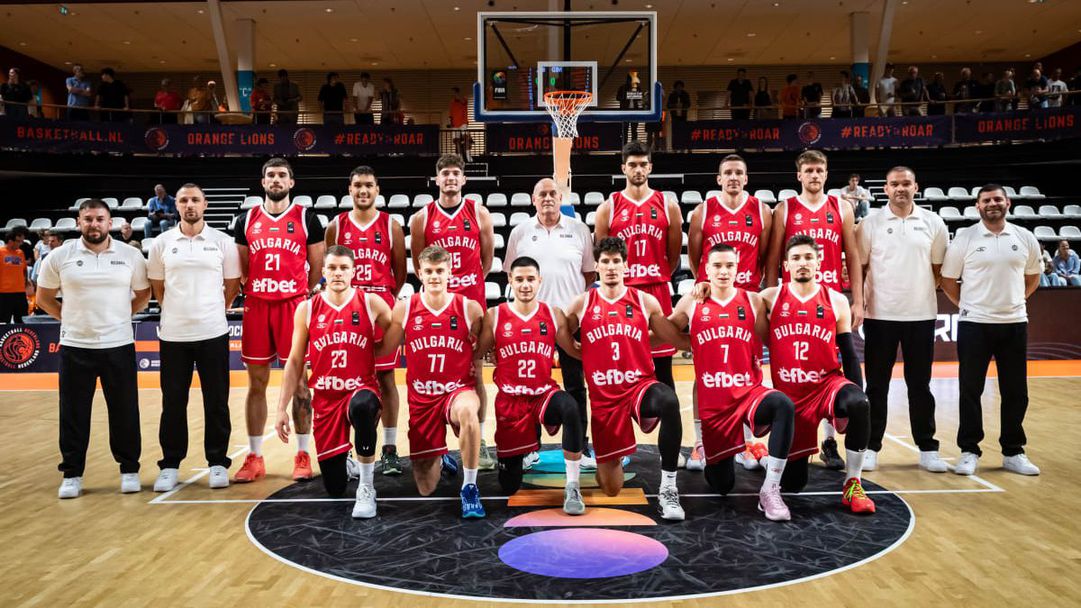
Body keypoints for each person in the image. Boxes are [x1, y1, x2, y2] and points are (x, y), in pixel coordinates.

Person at [667, 244, 797, 521]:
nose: (724, 271)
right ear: (706, 269)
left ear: (738, 268)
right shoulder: (691, 301)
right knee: (722, 485)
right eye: (717, 266)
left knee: (783, 405)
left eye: (729, 265)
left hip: (748, 393)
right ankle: (710, 452)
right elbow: (668, 332)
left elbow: (773, 339)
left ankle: (770, 489)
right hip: (716, 407)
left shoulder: (753, 300)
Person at [562, 237, 687, 520]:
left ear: (626, 265)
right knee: (611, 488)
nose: (611, 267)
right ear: (596, 266)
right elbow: (562, 335)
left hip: (638, 387)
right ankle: (611, 458)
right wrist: (580, 353)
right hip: (605, 400)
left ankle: (668, 488)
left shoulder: (644, 301)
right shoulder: (582, 303)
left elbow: (669, 336)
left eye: (616, 261)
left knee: (668, 401)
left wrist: (695, 341)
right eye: (605, 262)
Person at [36, 199, 151, 499]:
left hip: (118, 345)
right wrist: (69, 318)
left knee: (125, 411)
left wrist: (121, 316)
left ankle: (129, 469)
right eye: (88, 219)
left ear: (109, 222)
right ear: (78, 223)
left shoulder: (130, 255)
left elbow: (144, 293)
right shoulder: (60, 256)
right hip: (76, 347)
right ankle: (72, 474)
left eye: (100, 219)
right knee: (73, 414)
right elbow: (43, 298)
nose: (94, 224)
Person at [275, 246, 394, 518]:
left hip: (360, 389)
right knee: (335, 487)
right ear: (323, 271)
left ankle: (366, 487)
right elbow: (294, 361)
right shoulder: (307, 309)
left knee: (363, 407)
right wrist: (281, 408)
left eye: (343, 268)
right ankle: (346, 463)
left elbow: (397, 332)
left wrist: (376, 350)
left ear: (353, 272)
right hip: (326, 399)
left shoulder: (370, 302)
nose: (338, 273)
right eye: (332, 268)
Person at [764, 150, 864, 470]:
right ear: (799, 175)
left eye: (819, 170)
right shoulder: (785, 209)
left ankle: (830, 441)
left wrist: (858, 299)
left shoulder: (842, 207)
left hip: (830, 299)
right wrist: (772, 297)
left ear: (826, 173)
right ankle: (791, 433)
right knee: (799, 368)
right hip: (794, 299)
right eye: (808, 170)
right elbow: (773, 258)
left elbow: (852, 256)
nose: (814, 175)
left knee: (830, 367)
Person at [761, 235, 875, 513]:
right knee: (794, 484)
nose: (802, 263)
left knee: (859, 403)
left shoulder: (835, 300)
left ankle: (853, 483)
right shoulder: (770, 297)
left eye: (808, 257)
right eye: (796, 258)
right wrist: (704, 285)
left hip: (826, 386)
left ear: (819, 263)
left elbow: (849, 353)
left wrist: (857, 397)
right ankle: (767, 460)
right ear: (786, 265)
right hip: (790, 398)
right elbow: (732, 297)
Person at [232, 158, 325, 483]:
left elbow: (317, 266)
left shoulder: (307, 218)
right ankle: (255, 456)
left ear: (291, 182)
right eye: (270, 175)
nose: (276, 179)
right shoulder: (245, 219)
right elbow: (242, 268)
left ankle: (302, 453)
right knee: (256, 383)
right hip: (257, 306)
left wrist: (299, 292)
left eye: (281, 175)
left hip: (293, 306)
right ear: (263, 182)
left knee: (300, 384)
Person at [377, 246, 487, 518]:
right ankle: (440, 455)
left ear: (450, 272)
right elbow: (384, 350)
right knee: (426, 487)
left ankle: (470, 487)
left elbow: (484, 349)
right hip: (422, 399)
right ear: (419, 273)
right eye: (429, 271)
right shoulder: (404, 309)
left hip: (457, 391)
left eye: (440, 271)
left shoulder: (469, 309)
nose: (435, 276)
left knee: (468, 412)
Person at [941, 185, 1043, 477]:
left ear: (1008, 203)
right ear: (978, 206)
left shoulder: (1024, 237)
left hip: (1014, 323)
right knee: (970, 389)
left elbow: (1033, 277)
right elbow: (948, 280)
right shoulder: (965, 238)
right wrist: (969, 305)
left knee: (1016, 391)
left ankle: (1013, 451)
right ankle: (969, 450)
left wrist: (1016, 301)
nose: (993, 203)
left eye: (998, 199)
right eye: (986, 200)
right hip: (975, 324)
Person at [147, 184, 241, 492]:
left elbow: (231, 286)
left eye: (195, 200)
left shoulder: (222, 241)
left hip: (213, 332)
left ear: (205, 204)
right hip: (173, 335)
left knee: (217, 401)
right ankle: (170, 465)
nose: (190, 205)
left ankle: (218, 462)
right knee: (173, 402)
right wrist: (178, 311)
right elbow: (158, 288)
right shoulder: (161, 243)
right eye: (184, 200)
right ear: (176, 205)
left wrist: (212, 310)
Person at [474, 257, 587, 514]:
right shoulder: (495, 315)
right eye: (520, 279)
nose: (525, 285)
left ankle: (573, 485)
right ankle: (515, 458)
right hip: (511, 402)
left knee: (570, 407)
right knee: (509, 485)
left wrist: (605, 355)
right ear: (510, 281)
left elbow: (574, 351)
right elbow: (476, 353)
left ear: (539, 281)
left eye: (530, 279)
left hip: (542, 394)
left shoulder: (553, 314)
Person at [857, 167, 950, 473]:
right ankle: (870, 447)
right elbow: (861, 267)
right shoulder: (870, 223)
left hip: (921, 316)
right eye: (894, 184)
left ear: (915, 186)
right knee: (877, 386)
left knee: (920, 385)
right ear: (885, 188)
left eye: (906, 183)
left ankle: (927, 448)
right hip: (879, 315)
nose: (900, 188)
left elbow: (937, 269)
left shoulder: (933, 222)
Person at [686, 154, 773, 470]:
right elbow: (694, 256)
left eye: (739, 172)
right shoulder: (703, 211)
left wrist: (763, 295)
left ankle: (746, 442)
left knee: (748, 371)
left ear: (746, 178)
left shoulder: (762, 211)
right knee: (704, 372)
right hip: (712, 297)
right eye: (728, 173)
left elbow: (766, 256)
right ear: (719, 178)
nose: (734, 177)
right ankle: (700, 443)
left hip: (747, 299)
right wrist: (704, 282)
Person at [409, 153, 496, 468]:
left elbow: (487, 259)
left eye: (455, 173)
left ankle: (479, 440)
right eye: (444, 173)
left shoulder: (479, 212)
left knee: (474, 373)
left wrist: (466, 285)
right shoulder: (422, 217)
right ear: (437, 179)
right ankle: (440, 446)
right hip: (436, 304)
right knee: (435, 373)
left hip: (469, 303)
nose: (450, 178)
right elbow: (420, 262)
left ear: (464, 179)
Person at [504, 178, 596, 467]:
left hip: (571, 321)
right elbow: (512, 273)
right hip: (532, 322)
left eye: (552, 194)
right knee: (528, 386)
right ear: (533, 199)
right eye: (541, 194)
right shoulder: (520, 232)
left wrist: (572, 307)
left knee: (575, 385)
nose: (547, 198)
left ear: (561, 198)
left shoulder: (580, 230)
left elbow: (589, 274)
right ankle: (529, 447)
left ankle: (580, 446)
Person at [324, 166, 407, 475]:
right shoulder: (336, 226)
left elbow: (400, 272)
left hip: (380, 305)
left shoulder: (391, 225)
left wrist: (382, 300)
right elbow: (330, 268)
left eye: (369, 185)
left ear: (377, 189)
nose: (363, 190)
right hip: (347, 309)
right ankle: (347, 451)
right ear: (350, 189)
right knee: (346, 379)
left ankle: (389, 448)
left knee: (386, 379)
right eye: (357, 184)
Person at [594, 141, 683, 391]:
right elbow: (602, 254)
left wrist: (655, 272)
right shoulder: (608, 208)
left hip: (657, 289)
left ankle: (668, 416)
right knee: (622, 365)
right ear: (623, 168)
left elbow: (673, 256)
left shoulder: (668, 205)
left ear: (650, 167)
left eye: (643, 164)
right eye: (632, 165)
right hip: (624, 293)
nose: (638, 169)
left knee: (662, 367)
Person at [0, 227, 31, 322]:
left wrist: (26, 283)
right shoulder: (1, 252)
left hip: (20, 293)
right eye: (18, 241)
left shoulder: (20, 253)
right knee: (3, 322)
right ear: (10, 241)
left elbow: (24, 270)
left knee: (22, 322)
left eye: (22, 241)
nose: (21, 243)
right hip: (4, 293)